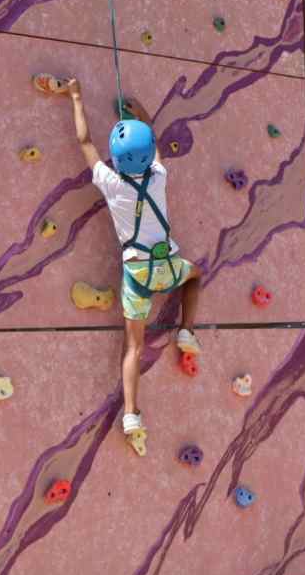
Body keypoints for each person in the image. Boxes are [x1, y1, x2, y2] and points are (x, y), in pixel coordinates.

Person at [64, 80, 202, 451]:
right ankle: (186, 331)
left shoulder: (110, 183)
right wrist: (141, 116)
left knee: (134, 348)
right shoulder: (158, 178)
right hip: (168, 265)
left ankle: (131, 414)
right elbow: (155, 150)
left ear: (117, 157)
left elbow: (85, 144)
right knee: (195, 275)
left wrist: (77, 97)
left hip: (137, 274)